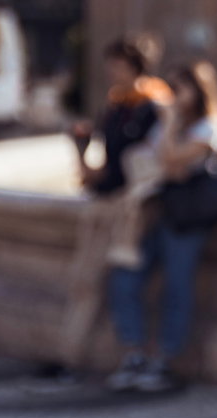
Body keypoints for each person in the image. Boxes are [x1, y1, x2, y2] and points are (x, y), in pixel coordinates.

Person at [105, 59, 217, 393]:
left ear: (199, 91)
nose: (171, 96)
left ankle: (165, 361)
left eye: (178, 89)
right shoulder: (168, 123)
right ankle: (134, 353)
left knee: (177, 286)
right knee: (125, 277)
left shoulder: (209, 126)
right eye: (170, 88)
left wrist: (171, 124)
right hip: (156, 213)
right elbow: (150, 157)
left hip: (186, 218)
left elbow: (172, 165)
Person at [55, 38, 170, 372]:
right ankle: (74, 354)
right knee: (88, 281)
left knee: (116, 282)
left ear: (134, 65)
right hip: (108, 201)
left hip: (131, 208)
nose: (110, 71)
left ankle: (88, 356)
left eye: (117, 64)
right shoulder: (116, 103)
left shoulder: (155, 105)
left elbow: (149, 165)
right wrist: (80, 148)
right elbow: (106, 165)